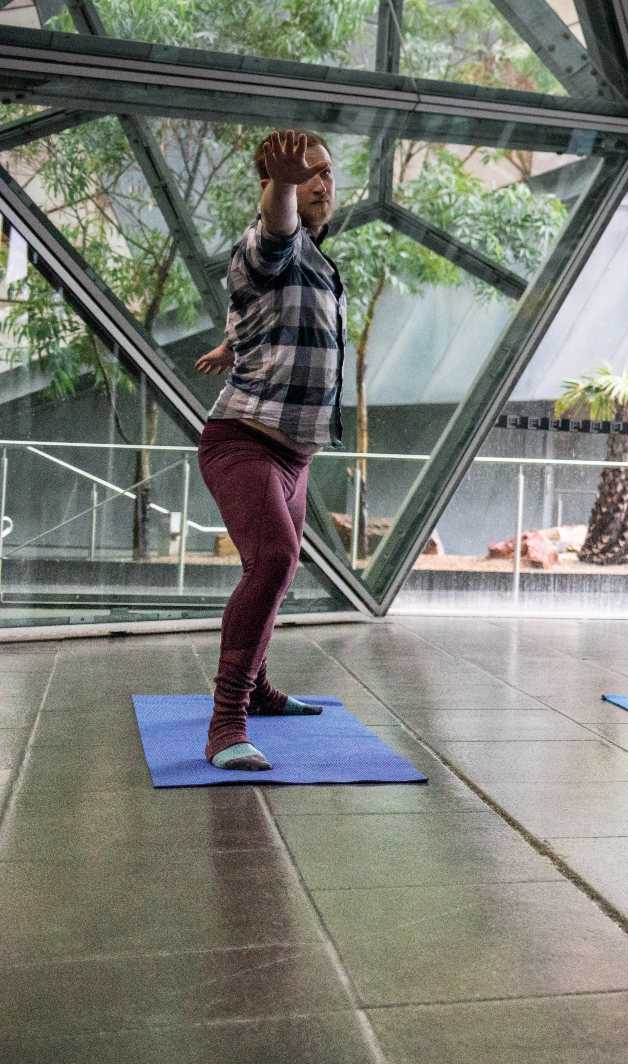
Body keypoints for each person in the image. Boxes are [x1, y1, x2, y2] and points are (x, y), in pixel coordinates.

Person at [195, 129, 346, 770]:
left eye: (326, 175)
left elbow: (264, 315)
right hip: (245, 443)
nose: (320, 183)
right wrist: (283, 185)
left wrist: (234, 346)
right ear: (270, 188)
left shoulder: (318, 263)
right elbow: (271, 242)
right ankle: (227, 723)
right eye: (303, 175)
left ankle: (256, 689)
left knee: (275, 576)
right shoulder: (272, 246)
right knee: (276, 563)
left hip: (295, 457)